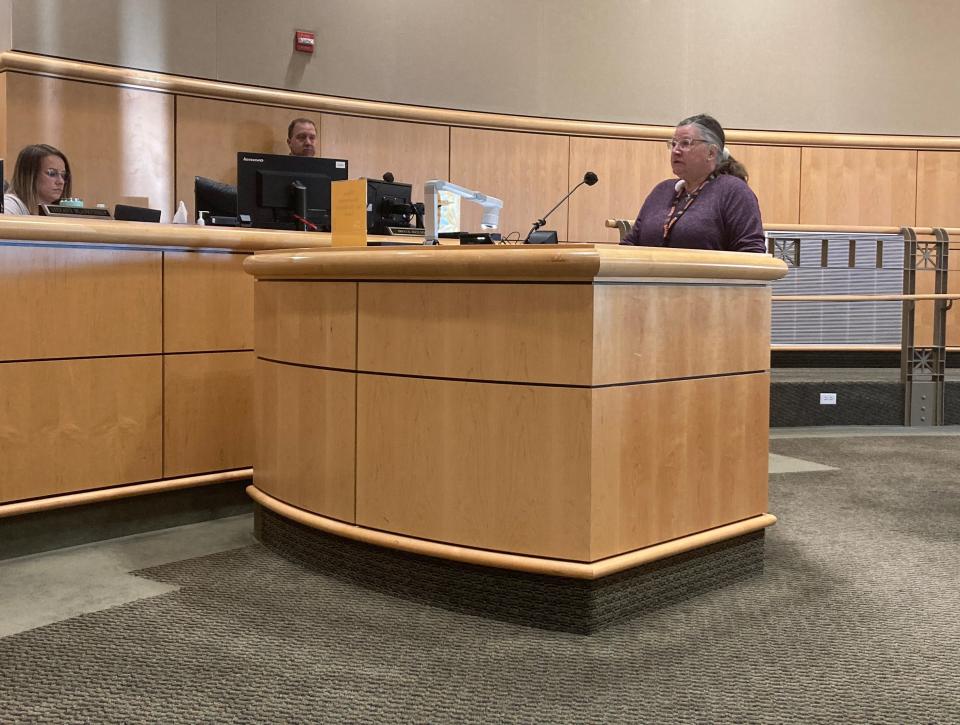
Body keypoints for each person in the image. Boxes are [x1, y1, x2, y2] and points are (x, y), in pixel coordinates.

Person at [620, 114, 765, 253]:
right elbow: (631, 243)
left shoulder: (734, 191)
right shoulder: (661, 191)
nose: (676, 151)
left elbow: (752, 253)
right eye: (673, 144)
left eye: (685, 143)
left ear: (711, 153)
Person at [3, 143, 72, 215]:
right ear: (30, 176)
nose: (61, 182)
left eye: (63, 176)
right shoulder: (9, 205)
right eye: (52, 173)